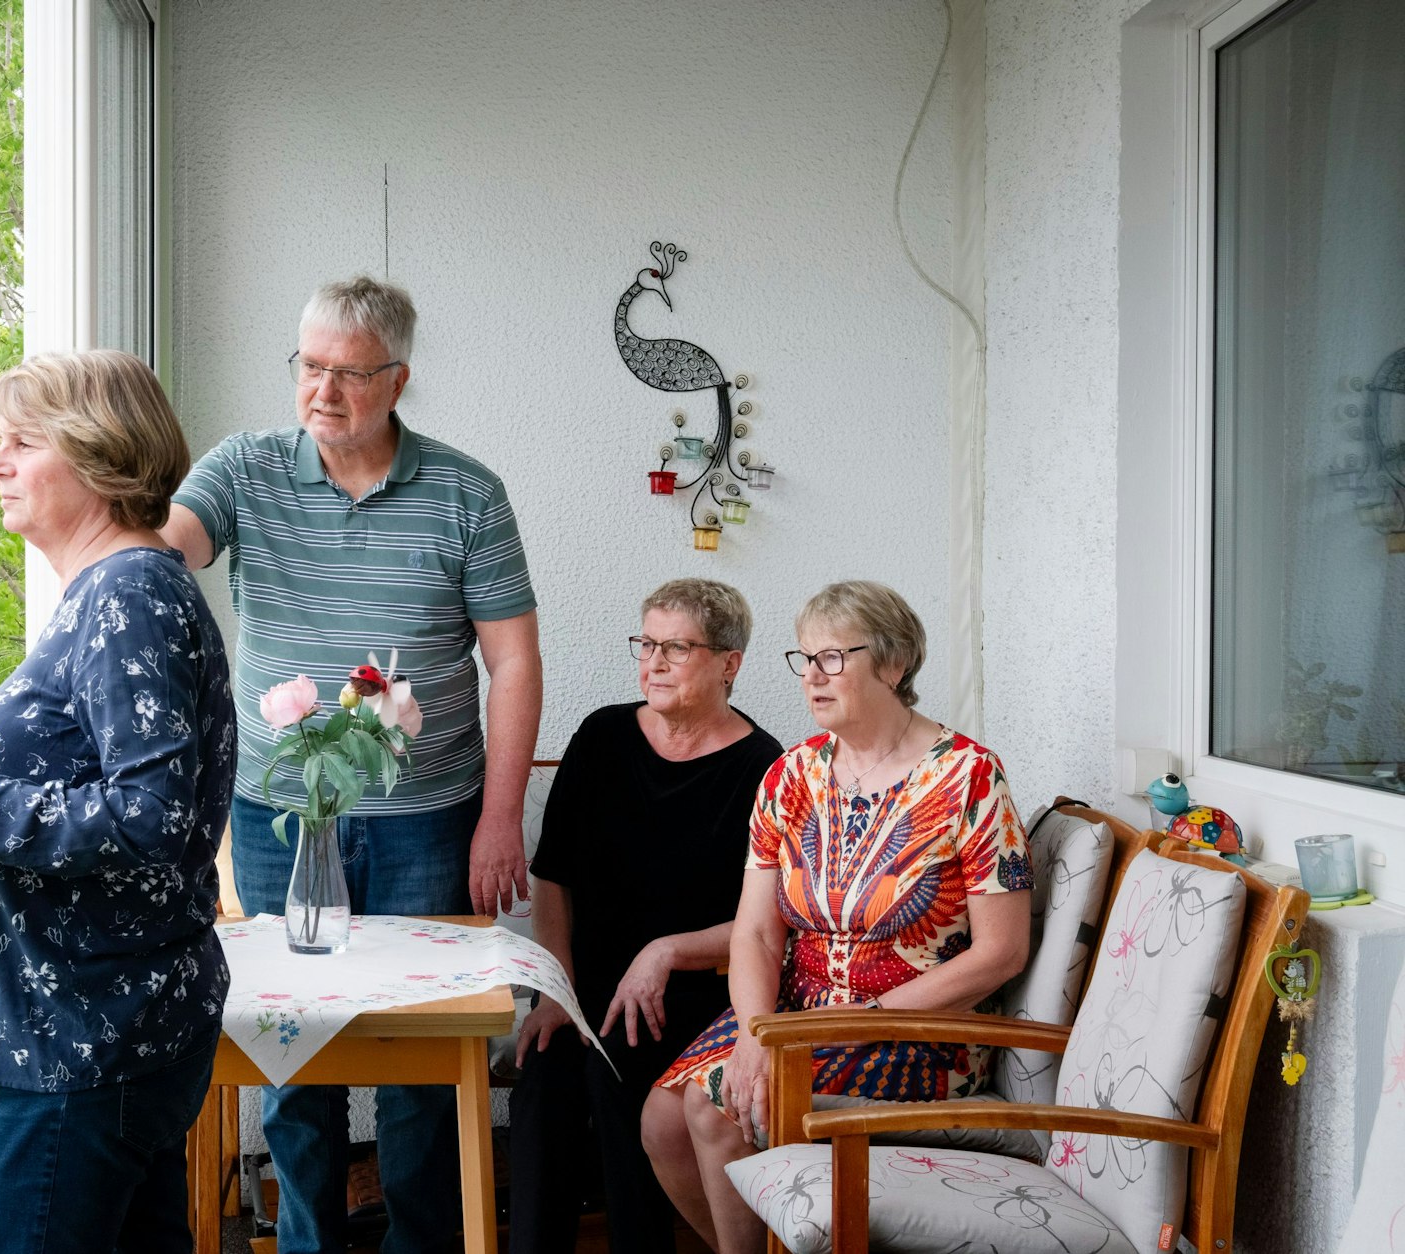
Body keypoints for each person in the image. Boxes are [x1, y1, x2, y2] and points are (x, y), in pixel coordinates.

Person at [159, 275, 542, 1253]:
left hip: (427, 816)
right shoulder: (243, 469)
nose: (323, 391)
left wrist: (501, 820)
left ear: (398, 379)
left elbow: (510, 660)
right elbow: (166, 553)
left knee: (421, 1060)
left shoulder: (466, 491)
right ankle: (307, 1245)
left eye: (350, 373)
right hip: (277, 816)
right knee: (294, 1047)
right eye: (309, 367)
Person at [0, 350, 236, 1254]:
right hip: (107, 1033)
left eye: (22, 443)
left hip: (88, 1047)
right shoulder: (113, 593)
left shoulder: (129, 595)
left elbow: (149, 818)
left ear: (100, 457)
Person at [640, 580, 1033, 1254]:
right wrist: (757, 1035)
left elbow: (1001, 952)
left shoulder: (968, 775)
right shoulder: (790, 775)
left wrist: (862, 1023)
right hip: (797, 1010)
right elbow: (759, 931)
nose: (812, 678)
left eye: (832, 658)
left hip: (914, 1028)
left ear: (893, 665)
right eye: (804, 659)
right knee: (660, 1121)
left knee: (713, 1113)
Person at [509, 579, 783, 1254]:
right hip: (586, 986)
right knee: (545, 1076)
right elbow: (552, 876)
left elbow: (773, 918)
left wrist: (667, 951)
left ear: (729, 663)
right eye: (647, 643)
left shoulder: (766, 769)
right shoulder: (603, 736)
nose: (652, 662)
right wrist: (555, 992)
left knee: (618, 1068)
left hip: (699, 994)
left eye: (675, 647)